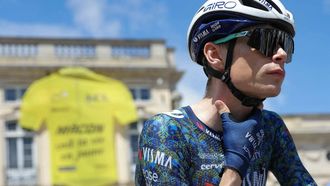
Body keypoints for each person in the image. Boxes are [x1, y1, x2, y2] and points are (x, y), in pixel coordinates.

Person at [135, 0, 317, 185]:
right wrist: (234, 169)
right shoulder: (166, 130)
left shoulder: (270, 127)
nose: (281, 54)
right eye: (266, 40)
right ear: (214, 54)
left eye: (285, 44)